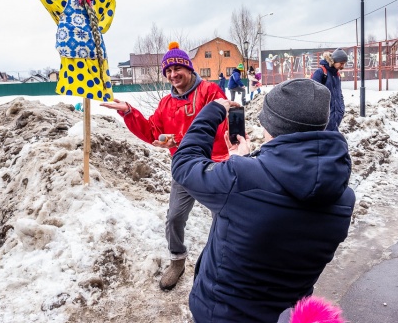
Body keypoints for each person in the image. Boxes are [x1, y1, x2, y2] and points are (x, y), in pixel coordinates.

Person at [172, 79, 355, 322]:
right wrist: (248, 162)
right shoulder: (343, 198)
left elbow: (184, 163)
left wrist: (212, 111)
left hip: (222, 315)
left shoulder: (241, 180)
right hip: (283, 314)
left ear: (273, 123)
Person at [100, 42, 229, 291]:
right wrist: (129, 112)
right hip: (185, 167)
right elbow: (152, 132)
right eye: (168, 71)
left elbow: (221, 124)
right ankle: (177, 260)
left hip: (215, 164)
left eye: (177, 69)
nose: (172, 75)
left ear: (188, 68)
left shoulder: (210, 91)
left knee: (224, 216)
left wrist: (183, 139)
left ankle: (224, 262)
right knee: (174, 218)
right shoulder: (166, 104)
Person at [311, 48, 348, 131]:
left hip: (336, 116)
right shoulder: (320, 72)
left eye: (344, 64)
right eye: (341, 63)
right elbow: (312, 94)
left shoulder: (337, 75)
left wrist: (341, 109)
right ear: (334, 61)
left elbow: (339, 93)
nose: (343, 66)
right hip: (324, 117)